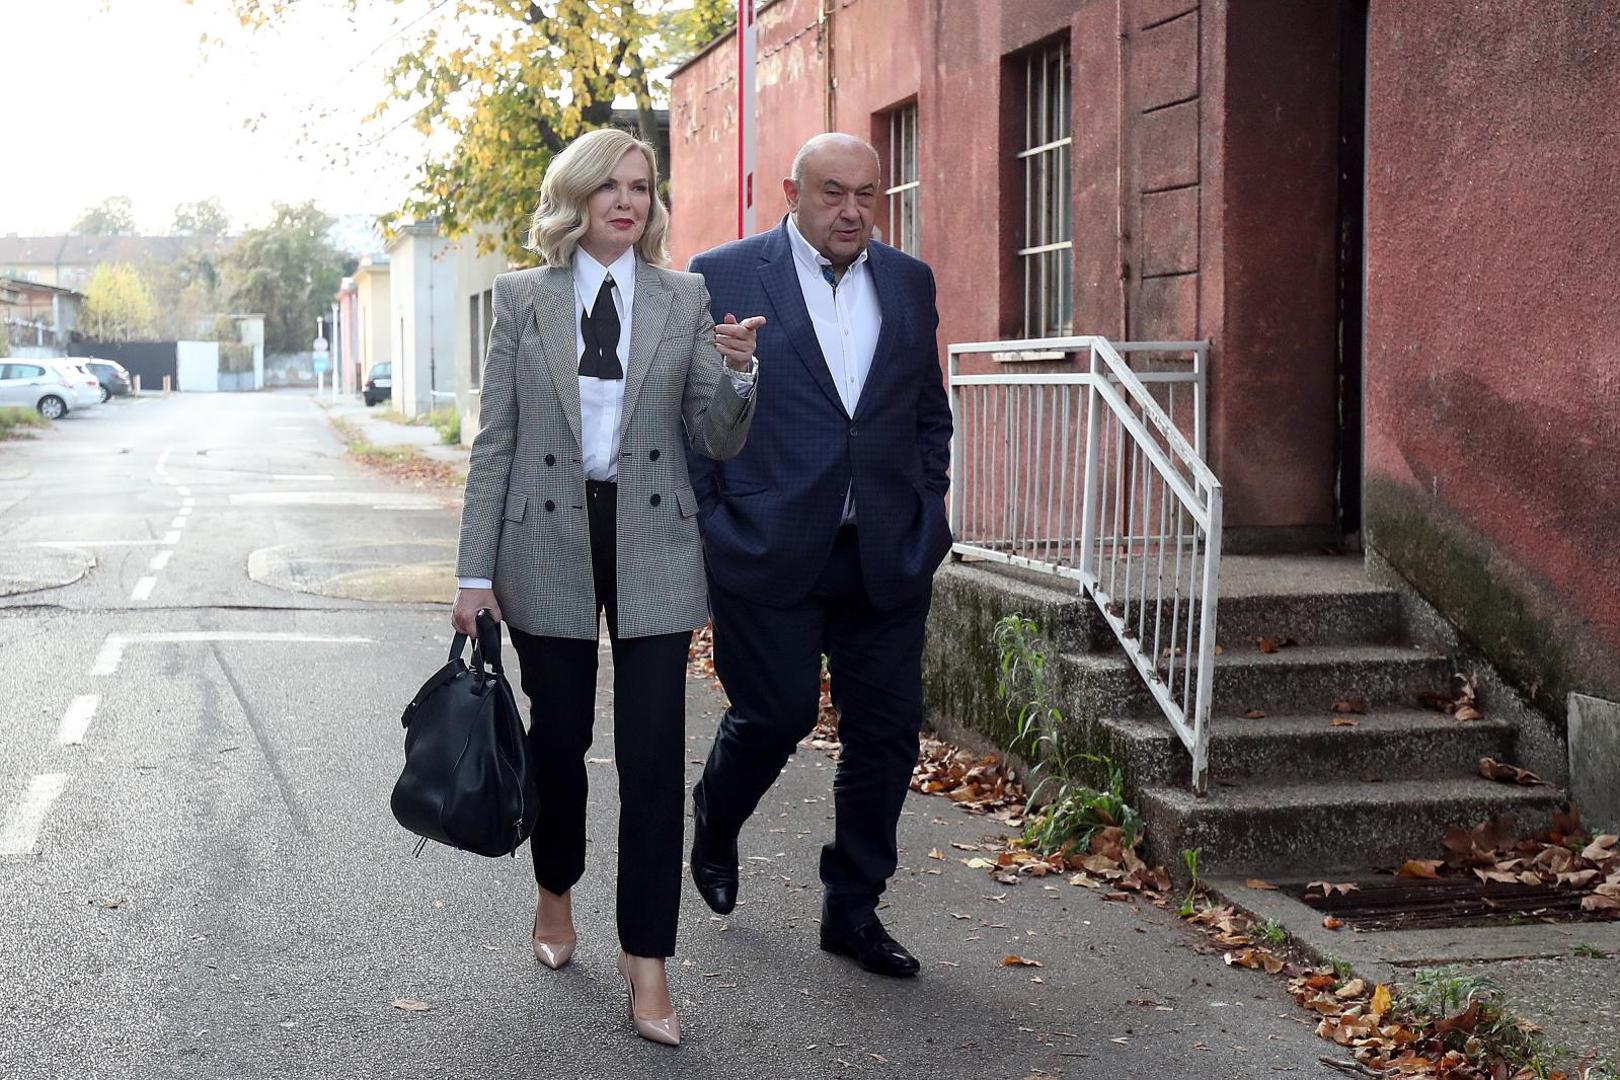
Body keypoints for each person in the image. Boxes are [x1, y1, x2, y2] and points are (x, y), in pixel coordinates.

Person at [452, 127, 763, 1045]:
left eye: (642, 186)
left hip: (654, 537)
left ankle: (648, 962)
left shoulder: (683, 295)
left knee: (654, 759)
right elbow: (496, 440)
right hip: (544, 537)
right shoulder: (523, 297)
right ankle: (555, 890)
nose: (628, 201)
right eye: (610, 187)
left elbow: (715, 435)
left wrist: (738, 372)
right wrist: (473, 574)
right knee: (559, 743)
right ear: (576, 197)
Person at [685, 132, 952, 978]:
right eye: (833, 192)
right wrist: (717, 517)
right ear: (792, 192)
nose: (852, 210)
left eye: (867, 193)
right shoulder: (722, 274)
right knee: (775, 715)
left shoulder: (908, 282)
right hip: (767, 546)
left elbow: (926, 410)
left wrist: (929, 507)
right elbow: (693, 411)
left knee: (887, 736)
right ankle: (716, 815)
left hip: (885, 549)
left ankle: (853, 909)